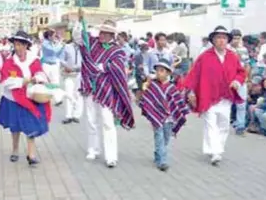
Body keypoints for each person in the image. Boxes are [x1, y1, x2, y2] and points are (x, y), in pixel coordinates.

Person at [73, 9, 135, 168]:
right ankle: (93, 149)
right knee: (91, 120)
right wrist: (80, 22)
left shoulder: (117, 51)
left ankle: (111, 156)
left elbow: (119, 67)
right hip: (90, 88)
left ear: (111, 35)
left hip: (107, 91)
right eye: (101, 31)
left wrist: (104, 66)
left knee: (108, 122)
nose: (102, 34)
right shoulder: (91, 43)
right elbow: (78, 38)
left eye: (106, 32)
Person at [185, 26, 246, 166]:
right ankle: (215, 151)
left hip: (226, 96)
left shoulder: (232, 56)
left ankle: (216, 148)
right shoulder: (205, 57)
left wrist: (237, 81)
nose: (221, 41)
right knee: (210, 124)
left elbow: (241, 72)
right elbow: (194, 75)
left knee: (224, 124)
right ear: (213, 40)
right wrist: (191, 91)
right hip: (208, 96)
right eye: (218, 37)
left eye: (224, 38)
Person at [0, 31, 51, 166]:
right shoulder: (9, 61)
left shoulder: (34, 59)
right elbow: (4, 81)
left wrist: (39, 78)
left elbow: (40, 72)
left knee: (30, 125)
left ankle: (31, 155)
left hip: (29, 98)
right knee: (15, 127)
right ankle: (15, 150)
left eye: (21, 45)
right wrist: (23, 81)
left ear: (27, 45)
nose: (18, 48)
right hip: (13, 99)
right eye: (16, 44)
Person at [137, 59, 189, 172]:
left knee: (165, 138)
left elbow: (178, 102)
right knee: (159, 137)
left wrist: (181, 114)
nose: (159, 73)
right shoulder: (153, 86)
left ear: (168, 73)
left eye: (162, 71)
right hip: (157, 117)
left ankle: (158, 154)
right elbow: (147, 99)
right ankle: (162, 161)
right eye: (157, 71)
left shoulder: (172, 88)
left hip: (169, 118)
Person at [229, 29, 250, 135]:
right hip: (228, 79)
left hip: (241, 79)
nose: (236, 40)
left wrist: (246, 77)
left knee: (241, 103)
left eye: (238, 38)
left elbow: (247, 64)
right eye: (234, 38)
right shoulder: (226, 49)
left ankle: (240, 125)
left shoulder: (244, 50)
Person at [60, 36, 83, 124]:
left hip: (80, 74)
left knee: (78, 94)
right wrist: (67, 66)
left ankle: (76, 115)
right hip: (69, 74)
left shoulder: (84, 48)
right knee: (68, 94)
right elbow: (61, 59)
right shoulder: (67, 47)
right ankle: (68, 116)